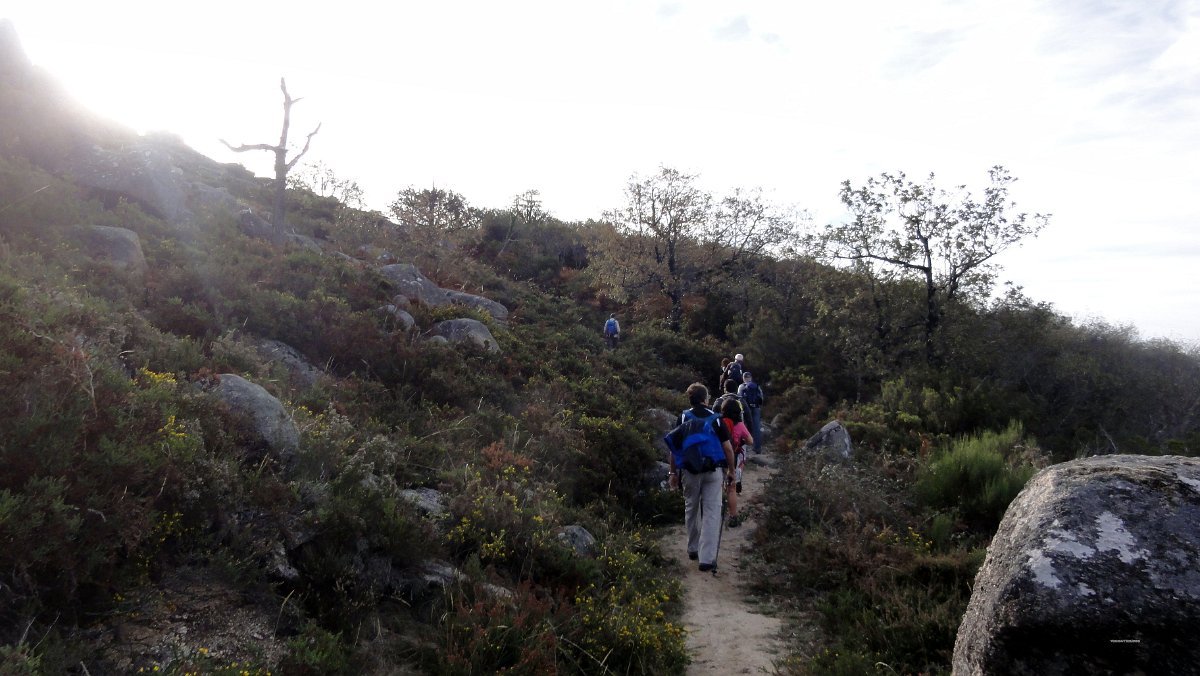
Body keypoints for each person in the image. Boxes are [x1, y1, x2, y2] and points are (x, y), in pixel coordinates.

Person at [666, 383, 736, 573]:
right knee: (712, 511)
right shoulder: (717, 419)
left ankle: (692, 548)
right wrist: (731, 471)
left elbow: (674, 449)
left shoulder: (683, 417)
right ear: (705, 399)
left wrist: (673, 473)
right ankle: (707, 559)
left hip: (690, 471)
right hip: (713, 470)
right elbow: (728, 448)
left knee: (691, 507)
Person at [720, 397, 754, 528]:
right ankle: (733, 517)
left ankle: (718, 515)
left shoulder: (719, 422)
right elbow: (750, 441)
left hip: (718, 458)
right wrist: (741, 441)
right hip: (732, 459)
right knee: (731, 488)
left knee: (718, 487)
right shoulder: (740, 425)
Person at [738, 371, 764, 453]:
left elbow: (739, 397)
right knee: (756, 428)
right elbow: (761, 398)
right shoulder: (756, 386)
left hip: (746, 409)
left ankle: (743, 448)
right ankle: (757, 448)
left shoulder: (741, 386)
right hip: (756, 408)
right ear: (751, 378)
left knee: (744, 427)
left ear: (743, 378)